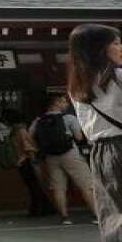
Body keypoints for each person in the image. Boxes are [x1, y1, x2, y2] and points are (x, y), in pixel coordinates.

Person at [69, 24, 122, 242]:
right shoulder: (119, 77)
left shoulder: (76, 85)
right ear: (100, 49)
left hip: (101, 153)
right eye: (116, 43)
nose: (120, 47)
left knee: (113, 216)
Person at [31, 94, 98, 224]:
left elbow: (30, 136)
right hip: (70, 154)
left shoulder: (38, 120)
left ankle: (64, 217)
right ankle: (97, 214)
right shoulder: (68, 118)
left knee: (59, 188)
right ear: (56, 103)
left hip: (50, 157)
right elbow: (79, 137)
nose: (66, 104)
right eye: (63, 101)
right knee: (87, 185)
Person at [0, 108, 56, 217]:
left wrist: (34, 162)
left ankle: (39, 209)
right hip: (26, 162)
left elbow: (28, 147)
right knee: (34, 186)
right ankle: (45, 208)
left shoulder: (19, 131)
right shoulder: (19, 130)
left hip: (26, 162)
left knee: (34, 187)